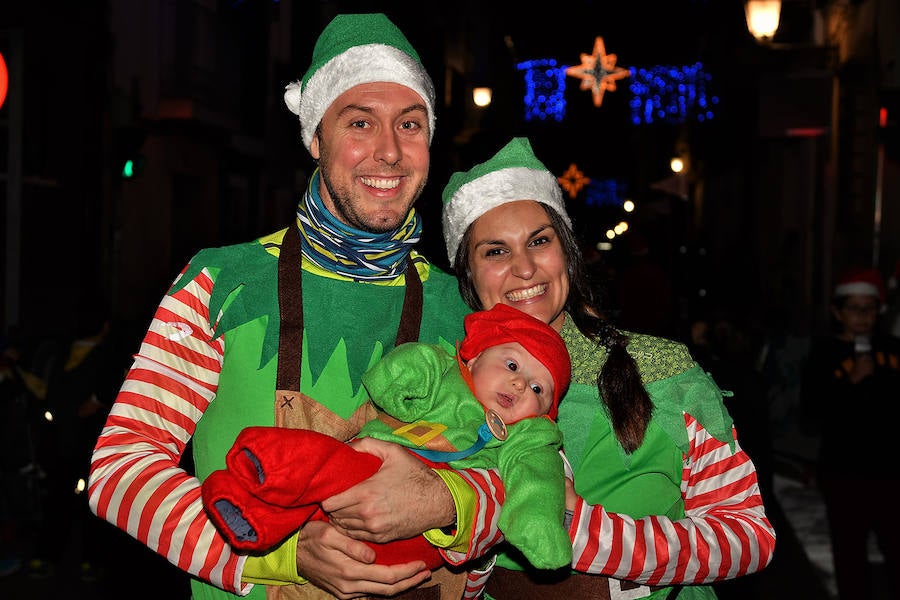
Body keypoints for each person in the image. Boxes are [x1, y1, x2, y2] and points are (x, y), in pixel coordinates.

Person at [88, 13, 506, 600]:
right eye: (360, 122)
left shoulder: (464, 307)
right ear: (315, 138)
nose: (389, 151)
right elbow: (119, 471)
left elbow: (521, 478)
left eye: (410, 125)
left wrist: (450, 502)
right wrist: (278, 553)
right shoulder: (220, 280)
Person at [440, 137, 777, 599]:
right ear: (468, 276)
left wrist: (584, 531)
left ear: (569, 254)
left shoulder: (663, 369)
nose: (523, 268)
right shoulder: (449, 383)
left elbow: (748, 537)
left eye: (540, 241)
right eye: (494, 251)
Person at [202, 303, 572, 571]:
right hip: (357, 482)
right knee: (321, 487)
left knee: (333, 465)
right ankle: (247, 515)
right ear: (473, 359)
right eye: (511, 365)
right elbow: (405, 370)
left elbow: (537, 482)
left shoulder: (529, 435)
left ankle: (266, 461)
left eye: (539, 389)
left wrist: (536, 524)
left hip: (418, 535)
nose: (521, 384)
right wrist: (407, 379)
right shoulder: (447, 373)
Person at [799, 267, 900, 600]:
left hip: (891, 471)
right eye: (855, 309)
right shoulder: (823, 355)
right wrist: (851, 381)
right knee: (850, 554)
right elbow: (811, 416)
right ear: (838, 312)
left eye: (869, 308)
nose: (863, 317)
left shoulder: (893, 349)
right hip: (845, 472)